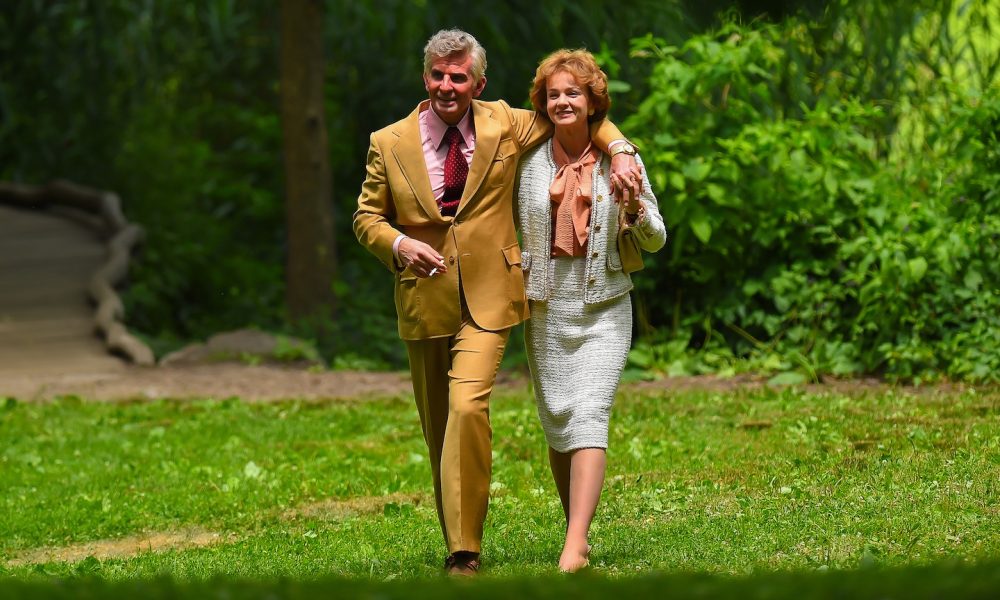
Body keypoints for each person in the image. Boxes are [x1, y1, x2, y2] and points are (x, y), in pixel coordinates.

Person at [353, 30, 642, 576]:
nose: (447, 85)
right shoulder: (387, 141)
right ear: (426, 77)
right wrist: (398, 244)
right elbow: (366, 217)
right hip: (424, 297)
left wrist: (623, 149)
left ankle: (465, 554)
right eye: (438, 75)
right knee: (439, 425)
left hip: (490, 295)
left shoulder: (504, 122)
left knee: (467, 408)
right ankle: (459, 535)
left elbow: (579, 112)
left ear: (478, 84)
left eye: (459, 77)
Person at [515, 49, 667, 573]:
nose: (562, 102)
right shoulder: (528, 160)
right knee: (558, 420)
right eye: (554, 94)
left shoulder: (621, 163)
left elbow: (657, 239)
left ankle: (574, 545)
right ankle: (575, 530)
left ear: (591, 101)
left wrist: (633, 208)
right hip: (545, 303)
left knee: (589, 413)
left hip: (604, 302)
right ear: (543, 103)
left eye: (572, 93)